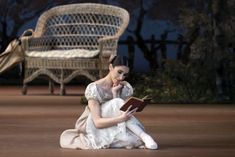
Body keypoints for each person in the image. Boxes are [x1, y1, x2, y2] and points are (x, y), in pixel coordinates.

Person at [60, 55, 158, 150]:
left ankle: (123, 139)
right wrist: (121, 118)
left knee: (134, 140)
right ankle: (145, 136)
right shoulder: (95, 88)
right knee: (136, 134)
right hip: (93, 124)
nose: (121, 77)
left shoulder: (123, 87)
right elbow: (97, 122)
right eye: (119, 72)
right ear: (110, 67)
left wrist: (115, 92)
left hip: (113, 122)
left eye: (125, 74)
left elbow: (117, 111)